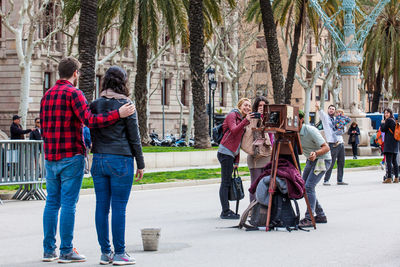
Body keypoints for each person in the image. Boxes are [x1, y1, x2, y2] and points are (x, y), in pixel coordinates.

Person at [40, 57, 135, 263]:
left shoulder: (46, 95)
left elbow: (43, 127)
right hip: (71, 156)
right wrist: (117, 114)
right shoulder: (74, 94)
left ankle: (49, 250)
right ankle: (66, 250)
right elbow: (90, 121)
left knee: (51, 202)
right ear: (75, 73)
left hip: (50, 157)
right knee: (68, 204)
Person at [90, 66, 145, 265]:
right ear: (123, 82)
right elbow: (134, 136)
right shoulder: (126, 104)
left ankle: (106, 253)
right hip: (121, 159)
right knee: (119, 208)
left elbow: (90, 128)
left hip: (99, 159)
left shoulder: (95, 104)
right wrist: (140, 163)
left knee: (101, 208)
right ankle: (120, 253)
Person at [217, 98, 252, 219]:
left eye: (249, 106)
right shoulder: (232, 115)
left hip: (231, 154)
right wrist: (245, 121)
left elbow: (239, 142)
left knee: (227, 182)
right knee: (225, 182)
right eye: (245, 105)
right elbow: (234, 131)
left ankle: (227, 210)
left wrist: (236, 161)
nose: (247, 108)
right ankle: (225, 211)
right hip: (225, 152)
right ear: (240, 105)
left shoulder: (242, 120)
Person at [298, 110, 331, 227]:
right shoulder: (292, 132)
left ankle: (309, 218)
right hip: (311, 160)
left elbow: (326, 147)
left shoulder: (310, 130)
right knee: (304, 186)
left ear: (301, 119)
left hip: (322, 159)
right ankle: (320, 215)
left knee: (309, 187)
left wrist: (316, 153)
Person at [241, 96, 272, 202]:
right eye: (260, 105)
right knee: (255, 185)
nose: (262, 108)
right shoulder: (252, 118)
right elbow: (248, 133)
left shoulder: (270, 118)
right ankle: (252, 211)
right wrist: (257, 117)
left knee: (267, 184)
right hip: (256, 156)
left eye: (264, 106)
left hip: (268, 155)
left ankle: (264, 211)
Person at [315, 103, 348, 185]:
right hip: (332, 144)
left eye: (333, 109)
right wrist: (318, 107)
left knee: (341, 162)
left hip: (340, 143)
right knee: (331, 162)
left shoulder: (337, 119)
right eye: (330, 109)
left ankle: (340, 180)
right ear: (328, 110)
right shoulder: (326, 119)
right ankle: (326, 180)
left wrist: (342, 127)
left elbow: (344, 130)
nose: (331, 110)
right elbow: (321, 114)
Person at [380, 108, 399, 184]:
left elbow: (383, 129)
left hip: (389, 144)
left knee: (388, 161)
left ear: (390, 114)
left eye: (387, 113)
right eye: (385, 113)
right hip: (395, 143)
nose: (386, 114)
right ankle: (396, 178)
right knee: (394, 161)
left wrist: (382, 123)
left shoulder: (388, 120)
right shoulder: (394, 120)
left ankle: (389, 178)